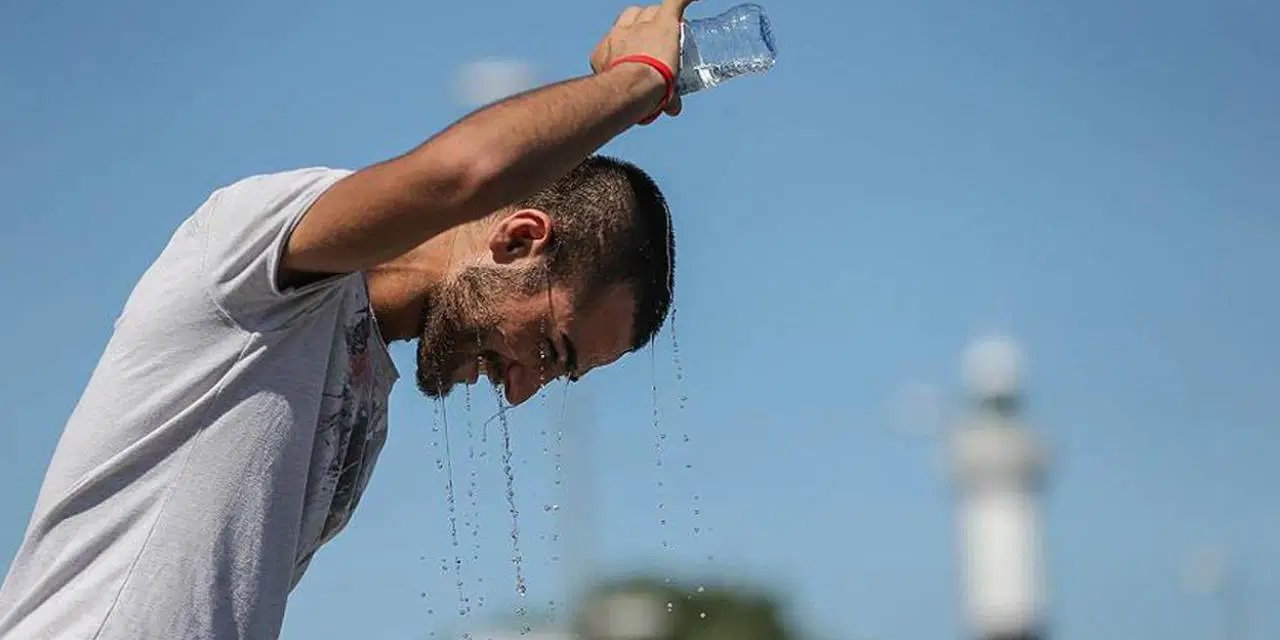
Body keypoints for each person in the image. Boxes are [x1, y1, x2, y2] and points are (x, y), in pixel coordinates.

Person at [0, 2, 696, 638]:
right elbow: (468, 172)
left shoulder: (367, 398)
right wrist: (641, 77)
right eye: (550, 350)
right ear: (517, 241)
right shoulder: (261, 257)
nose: (520, 391)